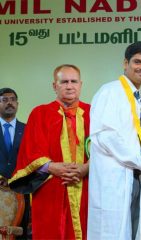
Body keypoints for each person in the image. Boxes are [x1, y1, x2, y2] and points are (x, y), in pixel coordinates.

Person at [88, 42, 141, 240]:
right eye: (137, 62)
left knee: (130, 231)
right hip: (114, 178)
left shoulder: (136, 97)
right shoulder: (111, 92)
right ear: (125, 63)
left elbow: (130, 135)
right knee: (112, 232)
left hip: (132, 177)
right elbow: (107, 137)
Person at [9, 64, 90, 240]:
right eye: (64, 82)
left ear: (81, 84)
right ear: (55, 86)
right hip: (51, 188)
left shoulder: (93, 112)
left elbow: (105, 149)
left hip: (87, 187)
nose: (69, 86)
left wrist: (86, 168)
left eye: (74, 81)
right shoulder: (40, 113)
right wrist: (52, 167)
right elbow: (30, 151)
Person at [0, 87, 30, 239]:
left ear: (17, 104)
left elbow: (32, 159)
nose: (9, 103)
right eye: (4, 100)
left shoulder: (28, 130)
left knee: (20, 234)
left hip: (21, 191)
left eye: (12, 100)